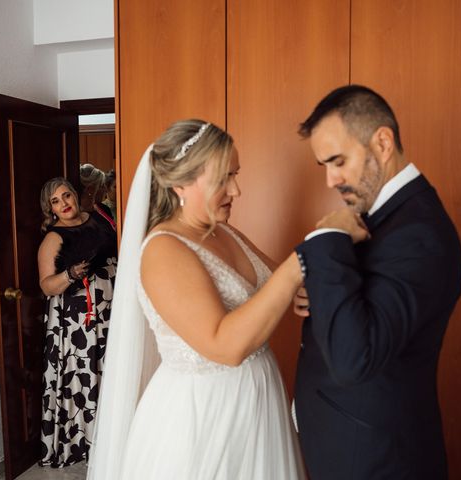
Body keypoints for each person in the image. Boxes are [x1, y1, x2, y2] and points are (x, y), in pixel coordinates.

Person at [87, 120, 305, 479]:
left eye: (236, 174)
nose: (236, 190)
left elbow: (282, 286)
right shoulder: (163, 251)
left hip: (258, 398)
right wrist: (297, 268)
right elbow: (223, 345)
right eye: (223, 178)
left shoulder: (225, 231)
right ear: (180, 184)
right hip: (205, 414)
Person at [292, 85, 461, 479]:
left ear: (382, 143)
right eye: (324, 166)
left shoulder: (419, 233)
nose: (330, 181)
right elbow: (368, 311)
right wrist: (323, 295)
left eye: (338, 161)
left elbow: (356, 358)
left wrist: (328, 238)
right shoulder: (386, 216)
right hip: (353, 448)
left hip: (377, 461)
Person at [37, 177, 117, 467]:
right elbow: (46, 286)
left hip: (111, 312)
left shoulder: (99, 217)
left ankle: (111, 437)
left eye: (66, 195)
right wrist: (70, 273)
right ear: (50, 209)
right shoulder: (54, 238)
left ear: (75, 195)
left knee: (110, 373)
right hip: (77, 324)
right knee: (86, 377)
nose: (64, 204)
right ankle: (83, 442)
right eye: (55, 201)